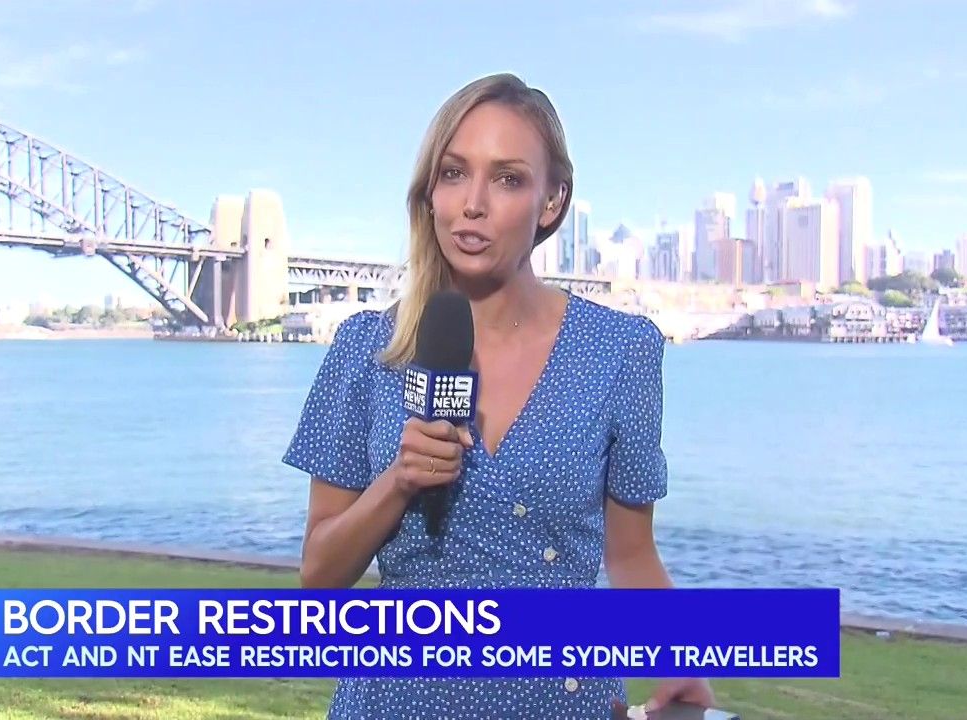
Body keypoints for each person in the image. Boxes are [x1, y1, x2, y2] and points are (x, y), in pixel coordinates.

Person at [282, 72, 713, 719]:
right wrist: (397, 482)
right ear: (430, 193)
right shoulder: (365, 347)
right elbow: (318, 578)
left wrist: (680, 662)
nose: (473, 204)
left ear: (552, 201)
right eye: (454, 174)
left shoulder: (622, 350)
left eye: (508, 179)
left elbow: (631, 554)